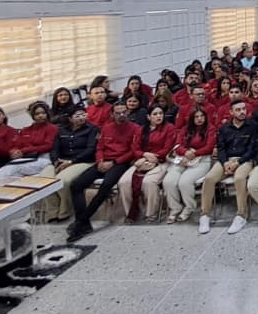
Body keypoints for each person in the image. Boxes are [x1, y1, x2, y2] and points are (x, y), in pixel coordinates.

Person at [66, 102, 141, 242]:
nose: (121, 115)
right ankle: (84, 223)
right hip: (102, 161)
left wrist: (113, 163)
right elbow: (99, 147)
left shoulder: (136, 128)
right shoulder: (106, 128)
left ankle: (80, 221)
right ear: (112, 114)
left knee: (106, 186)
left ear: (128, 112)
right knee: (76, 185)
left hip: (120, 163)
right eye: (118, 113)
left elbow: (132, 151)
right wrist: (100, 161)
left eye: (124, 112)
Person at [199, 99, 257, 235]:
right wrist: (225, 162)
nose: (242, 112)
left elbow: (253, 149)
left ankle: (241, 215)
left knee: (239, 178)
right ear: (231, 112)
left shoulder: (253, 126)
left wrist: (238, 162)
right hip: (226, 160)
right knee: (209, 179)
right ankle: (205, 214)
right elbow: (221, 148)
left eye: (243, 109)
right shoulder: (224, 128)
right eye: (238, 110)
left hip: (244, 160)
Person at [37, 106, 98, 222]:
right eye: (77, 115)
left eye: (83, 115)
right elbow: (54, 149)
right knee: (45, 180)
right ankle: (52, 211)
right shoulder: (61, 130)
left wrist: (71, 162)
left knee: (63, 181)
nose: (81, 118)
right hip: (61, 160)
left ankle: (65, 210)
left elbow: (90, 150)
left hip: (81, 161)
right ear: (70, 118)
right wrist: (56, 161)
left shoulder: (92, 129)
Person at [118, 105, 176, 223]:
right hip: (142, 160)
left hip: (161, 160)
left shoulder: (169, 128)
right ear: (148, 117)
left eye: (160, 113)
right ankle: (131, 213)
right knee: (123, 182)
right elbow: (135, 149)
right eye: (155, 114)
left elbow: (168, 148)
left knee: (149, 182)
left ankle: (151, 213)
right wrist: (145, 155)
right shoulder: (141, 130)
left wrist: (153, 156)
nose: (159, 116)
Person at [162, 108, 216, 223]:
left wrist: (194, 153)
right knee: (168, 181)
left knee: (184, 182)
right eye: (196, 117)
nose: (200, 119)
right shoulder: (185, 129)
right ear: (192, 118)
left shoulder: (210, 129)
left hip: (202, 159)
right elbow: (177, 145)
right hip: (183, 159)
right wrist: (185, 152)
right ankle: (175, 208)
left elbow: (209, 147)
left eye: (202, 116)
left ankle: (189, 208)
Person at [0, 101, 57, 178]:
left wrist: (24, 151)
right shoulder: (25, 130)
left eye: (43, 113)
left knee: (13, 169)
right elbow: (16, 145)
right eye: (37, 114)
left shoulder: (52, 128)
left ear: (47, 113)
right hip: (24, 158)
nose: (40, 116)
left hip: (43, 158)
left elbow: (47, 146)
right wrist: (15, 152)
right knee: (7, 171)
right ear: (32, 115)